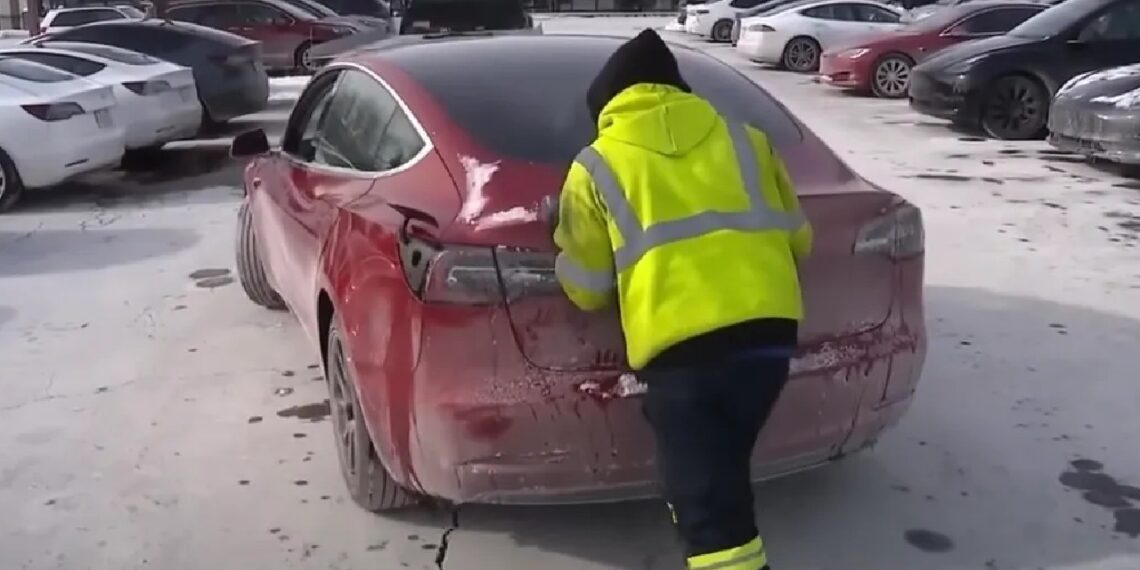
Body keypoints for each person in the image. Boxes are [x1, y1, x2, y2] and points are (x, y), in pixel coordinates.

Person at [546, 29, 812, 570]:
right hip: (768, 342)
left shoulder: (595, 166)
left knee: (707, 511)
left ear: (608, 108)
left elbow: (589, 290)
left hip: (683, 356)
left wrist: (561, 237)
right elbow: (800, 243)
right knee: (721, 474)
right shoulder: (747, 140)